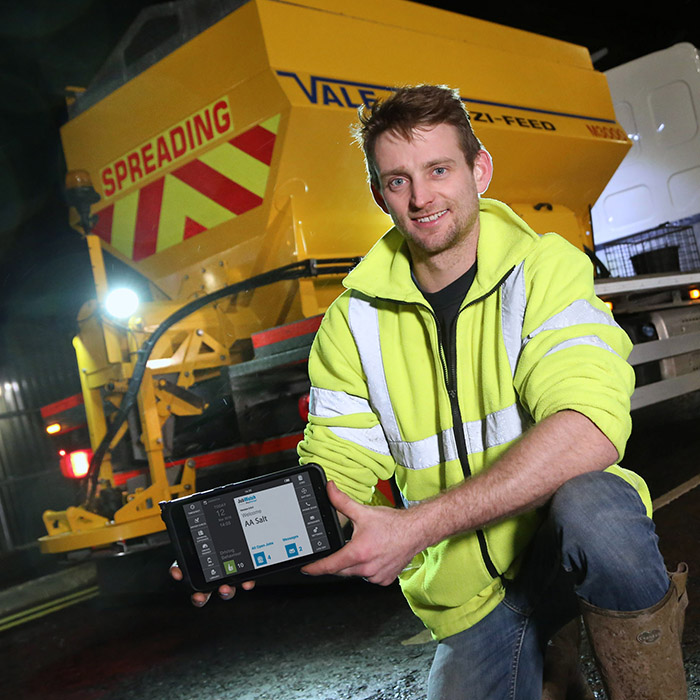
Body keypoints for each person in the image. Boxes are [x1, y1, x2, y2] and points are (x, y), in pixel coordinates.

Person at [171, 85, 687, 699]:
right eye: (398, 181)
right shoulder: (353, 323)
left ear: (479, 170)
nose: (421, 198)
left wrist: (415, 527)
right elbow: (337, 471)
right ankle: (552, 660)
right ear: (379, 194)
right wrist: (255, 545)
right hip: (470, 595)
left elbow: (589, 430)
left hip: (559, 547)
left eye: (439, 170)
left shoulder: (543, 269)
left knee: (597, 509)